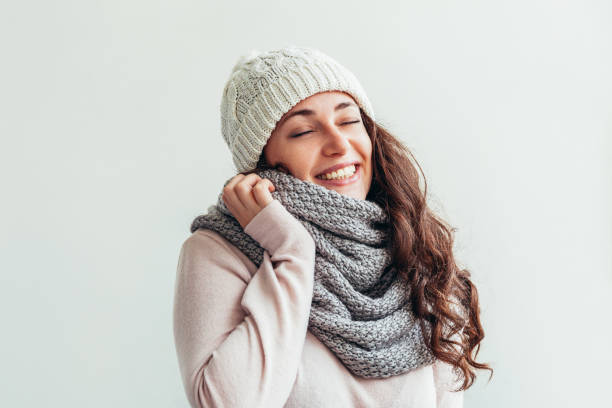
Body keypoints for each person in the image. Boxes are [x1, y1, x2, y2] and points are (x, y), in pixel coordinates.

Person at [173, 45, 491, 408]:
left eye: (348, 120)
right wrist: (291, 252)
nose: (339, 145)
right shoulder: (220, 252)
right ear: (262, 161)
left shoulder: (417, 248)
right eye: (304, 131)